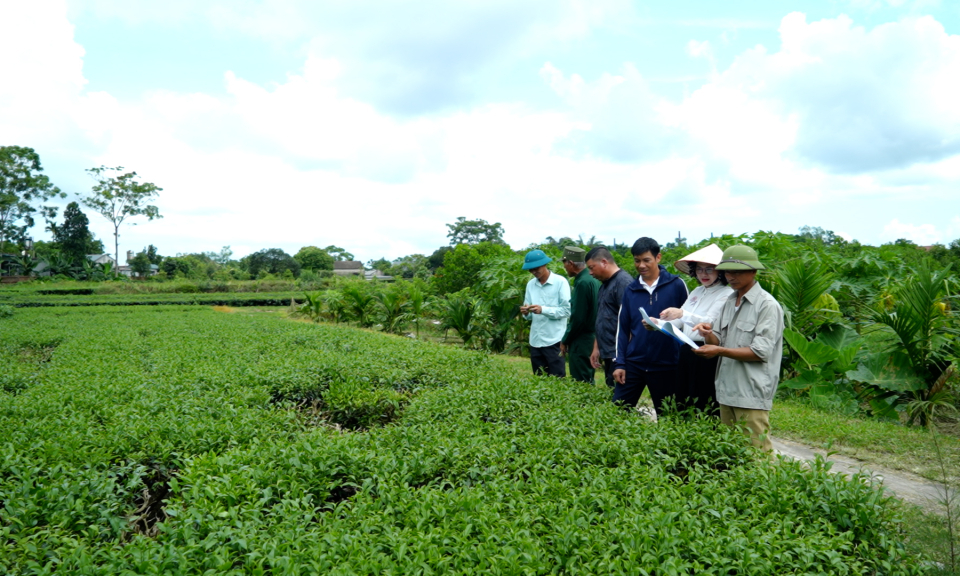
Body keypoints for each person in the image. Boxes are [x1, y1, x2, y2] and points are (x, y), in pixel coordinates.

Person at [692, 245, 784, 451]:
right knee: (730, 452)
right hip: (726, 390)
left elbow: (760, 352)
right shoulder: (730, 301)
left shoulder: (767, 306)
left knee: (757, 454)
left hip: (750, 392)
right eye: (727, 271)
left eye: (737, 271)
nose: (730, 276)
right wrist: (708, 334)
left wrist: (720, 351)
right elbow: (719, 341)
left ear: (753, 271)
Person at [612, 237, 689, 413]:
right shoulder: (631, 290)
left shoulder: (676, 285)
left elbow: (688, 320)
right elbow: (622, 330)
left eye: (646, 260)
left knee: (669, 416)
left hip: (667, 364)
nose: (641, 265)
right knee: (618, 410)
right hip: (635, 363)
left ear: (658, 258)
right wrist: (620, 364)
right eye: (637, 261)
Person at [659, 244, 733, 415]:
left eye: (709, 269)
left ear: (720, 271)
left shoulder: (726, 293)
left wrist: (682, 313)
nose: (703, 274)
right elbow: (679, 321)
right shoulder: (697, 291)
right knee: (684, 397)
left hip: (707, 351)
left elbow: (710, 322)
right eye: (699, 269)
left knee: (705, 399)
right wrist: (658, 323)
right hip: (687, 350)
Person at [585, 246, 632, 388]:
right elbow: (602, 318)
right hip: (608, 351)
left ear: (604, 262)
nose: (590, 273)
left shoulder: (623, 283)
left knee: (619, 397)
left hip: (618, 353)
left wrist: (623, 359)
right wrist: (596, 348)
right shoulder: (604, 285)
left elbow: (630, 321)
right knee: (610, 391)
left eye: (592, 268)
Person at [520, 249, 571, 377]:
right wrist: (526, 313)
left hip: (554, 339)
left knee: (557, 379)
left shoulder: (560, 282)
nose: (534, 272)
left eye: (536, 268)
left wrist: (543, 310)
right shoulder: (530, 285)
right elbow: (530, 315)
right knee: (539, 380)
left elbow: (566, 310)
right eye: (530, 270)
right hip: (536, 340)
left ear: (545, 264)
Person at [560, 246, 600, 384]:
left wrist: (565, 339)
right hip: (592, 337)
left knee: (581, 381)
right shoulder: (593, 278)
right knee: (588, 375)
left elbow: (578, 317)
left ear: (570, 263)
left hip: (581, 339)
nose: (565, 268)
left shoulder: (582, 283)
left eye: (564, 263)